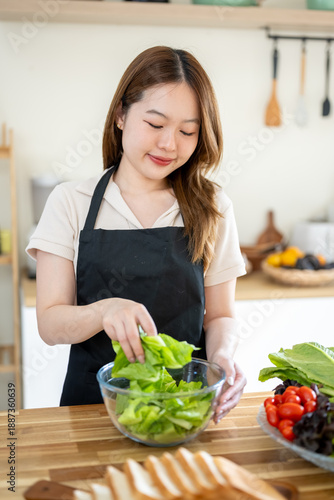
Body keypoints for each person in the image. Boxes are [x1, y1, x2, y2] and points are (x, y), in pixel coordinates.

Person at [26, 46, 246, 423]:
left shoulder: (213, 206)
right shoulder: (71, 202)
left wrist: (223, 356)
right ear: (121, 116)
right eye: (156, 124)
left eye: (187, 131)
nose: (169, 144)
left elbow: (221, 315)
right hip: (91, 410)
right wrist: (105, 309)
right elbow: (50, 323)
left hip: (182, 407)